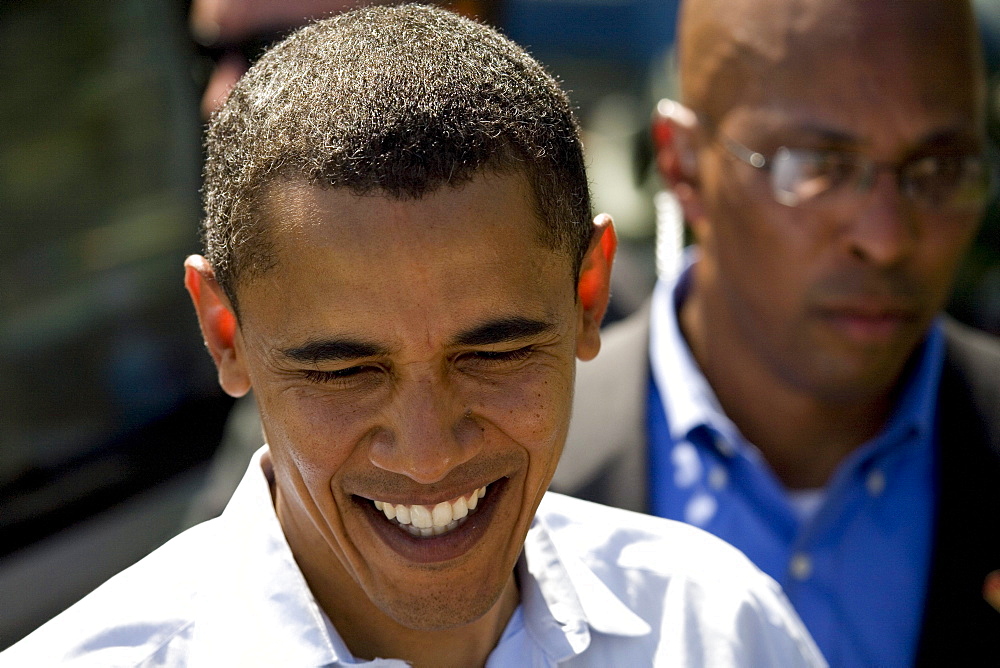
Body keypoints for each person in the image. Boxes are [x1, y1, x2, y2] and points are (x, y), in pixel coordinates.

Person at [0, 6, 826, 666]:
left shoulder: (715, 629)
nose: (428, 456)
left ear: (588, 296)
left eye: (493, 354)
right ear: (225, 334)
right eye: (344, 371)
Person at [551, 0, 1000, 665]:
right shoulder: (517, 478)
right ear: (683, 167)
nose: (885, 238)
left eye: (938, 170)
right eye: (818, 167)